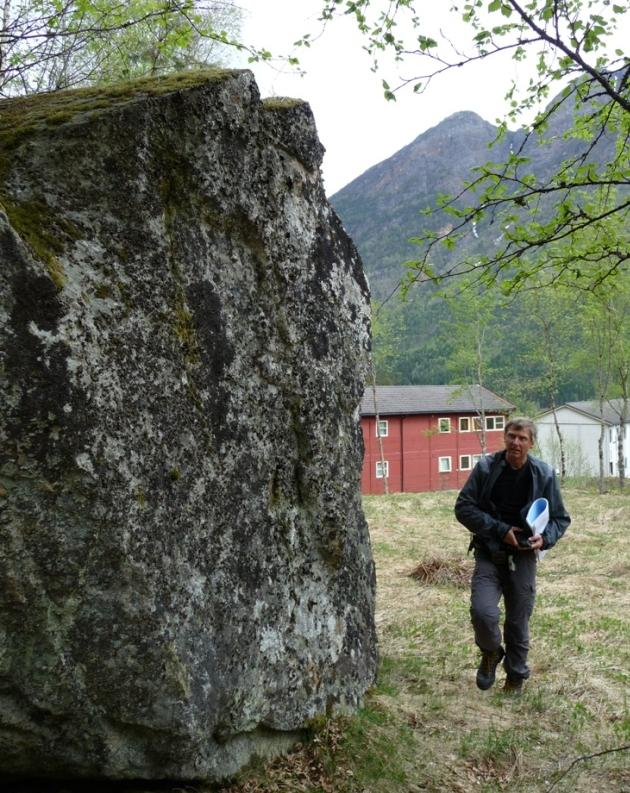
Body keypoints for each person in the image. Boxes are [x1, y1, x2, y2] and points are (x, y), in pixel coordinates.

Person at [454, 417, 570, 694]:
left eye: (522, 438)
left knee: (518, 621)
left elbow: (560, 519)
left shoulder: (544, 474)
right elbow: (463, 507)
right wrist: (501, 530)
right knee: (482, 612)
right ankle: (491, 653)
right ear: (504, 438)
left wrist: (545, 539)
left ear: (532, 443)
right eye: (511, 436)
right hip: (489, 552)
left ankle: (515, 678)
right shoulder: (486, 468)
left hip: (524, 557)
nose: (516, 443)